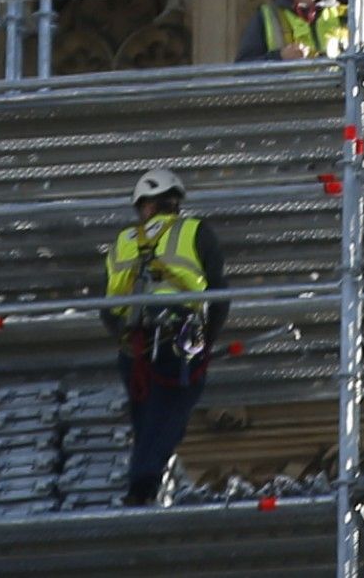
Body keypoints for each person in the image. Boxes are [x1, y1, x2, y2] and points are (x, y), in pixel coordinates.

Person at [100, 165, 225, 505]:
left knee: (149, 418)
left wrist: (126, 340)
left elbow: (106, 307)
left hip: (135, 345)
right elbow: (218, 295)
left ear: (145, 205)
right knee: (168, 415)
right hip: (179, 336)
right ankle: (142, 488)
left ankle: (145, 484)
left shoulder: (122, 243)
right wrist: (206, 343)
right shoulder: (196, 231)